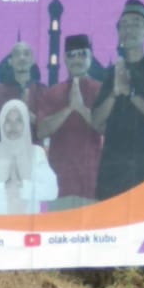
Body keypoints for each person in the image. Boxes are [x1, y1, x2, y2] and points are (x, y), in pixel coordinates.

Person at [92, 0, 144, 200]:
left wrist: (131, 93)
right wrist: (114, 93)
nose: (129, 29)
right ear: (118, 32)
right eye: (124, 25)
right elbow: (96, 122)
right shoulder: (111, 73)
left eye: (136, 24)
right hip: (113, 173)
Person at [37, 33, 102, 205]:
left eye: (82, 54)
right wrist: (69, 109)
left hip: (92, 183)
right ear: (64, 59)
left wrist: (81, 108)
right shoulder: (53, 92)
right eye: (71, 55)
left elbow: (107, 128)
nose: (77, 60)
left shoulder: (101, 90)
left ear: (90, 57)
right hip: (60, 184)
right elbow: (41, 131)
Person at [0, 99, 58, 214]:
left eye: (18, 121)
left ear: (25, 124)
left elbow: (52, 191)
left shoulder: (36, 153)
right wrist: (3, 188)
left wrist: (23, 187)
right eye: (8, 121)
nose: (13, 126)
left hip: (28, 221)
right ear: (1, 123)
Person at [0, 41, 44, 142]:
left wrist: (30, 117)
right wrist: (9, 121)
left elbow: (49, 128)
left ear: (32, 60)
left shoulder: (41, 90)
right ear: (10, 61)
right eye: (17, 54)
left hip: (33, 148)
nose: (22, 58)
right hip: (5, 148)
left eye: (26, 54)